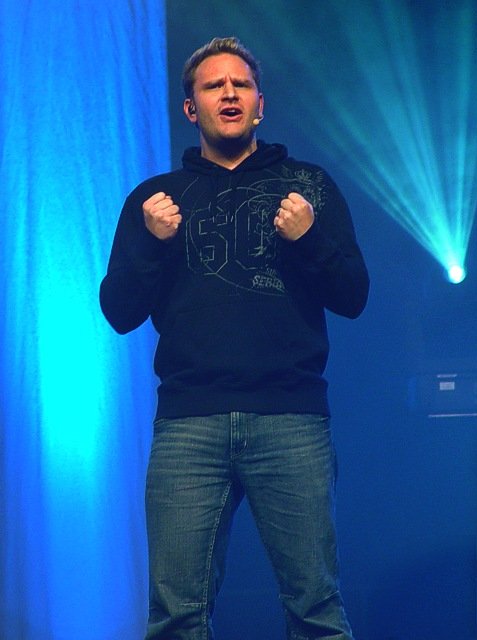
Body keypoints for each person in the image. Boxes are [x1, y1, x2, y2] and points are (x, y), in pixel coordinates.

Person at [100, 36, 369, 640]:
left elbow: (354, 296)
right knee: (176, 616)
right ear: (190, 108)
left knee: (316, 610)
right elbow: (118, 313)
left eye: (240, 84)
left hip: (290, 418)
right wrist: (151, 244)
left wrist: (309, 238)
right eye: (213, 85)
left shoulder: (308, 186)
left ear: (259, 105)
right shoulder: (154, 200)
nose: (228, 93)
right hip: (188, 424)